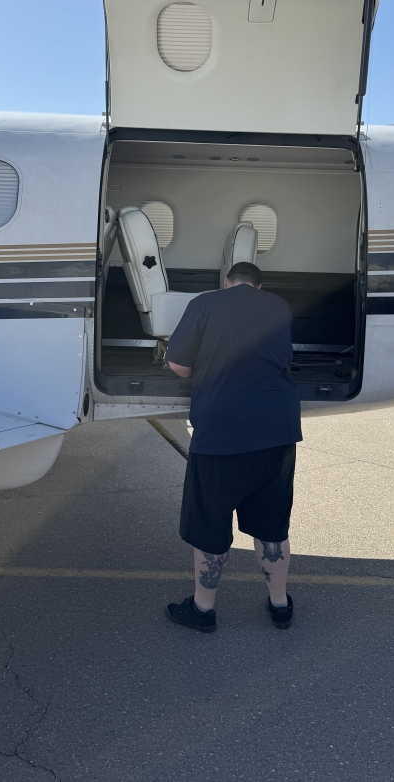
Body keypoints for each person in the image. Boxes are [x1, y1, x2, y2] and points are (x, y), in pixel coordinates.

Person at [164, 261, 302, 633]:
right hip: (277, 430)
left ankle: (203, 609)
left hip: (220, 433)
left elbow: (178, 365)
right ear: (259, 286)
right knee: (272, 526)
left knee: (211, 525)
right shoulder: (278, 306)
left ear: (227, 282)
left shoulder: (205, 303)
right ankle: (280, 605)